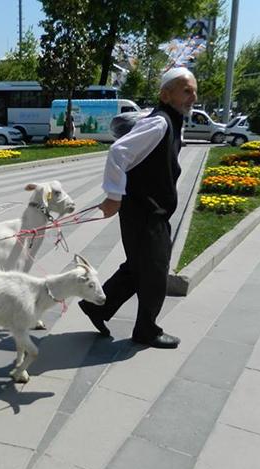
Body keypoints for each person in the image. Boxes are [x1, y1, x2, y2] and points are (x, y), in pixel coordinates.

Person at [78, 67, 198, 349]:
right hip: (145, 211)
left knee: (137, 267)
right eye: (186, 90)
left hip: (148, 209)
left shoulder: (171, 120)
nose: (193, 96)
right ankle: (147, 330)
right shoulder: (160, 123)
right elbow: (118, 151)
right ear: (165, 95)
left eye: (194, 90)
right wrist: (113, 196)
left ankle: (97, 307)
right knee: (155, 270)